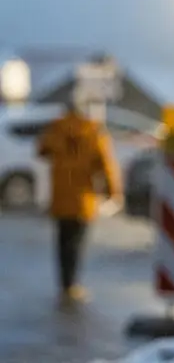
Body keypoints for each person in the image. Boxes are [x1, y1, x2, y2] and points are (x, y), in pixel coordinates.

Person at [36, 100, 122, 304]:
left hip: (60, 196)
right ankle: (73, 284)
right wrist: (113, 192)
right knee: (76, 243)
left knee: (62, 242)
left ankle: (65, 284)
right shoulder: (93, 130)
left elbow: (41, 150)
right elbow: (106, 163)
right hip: (84, 198)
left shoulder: (56, 128)